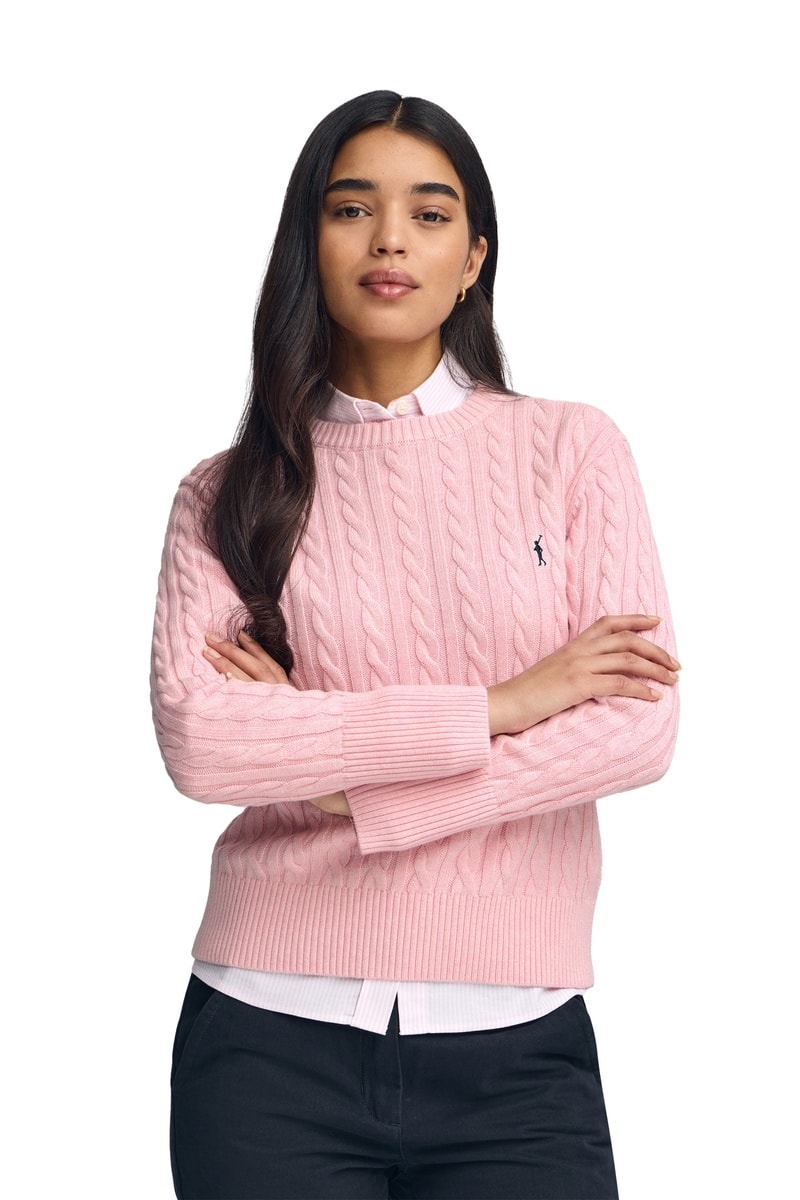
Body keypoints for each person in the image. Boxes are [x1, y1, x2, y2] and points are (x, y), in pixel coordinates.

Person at [151, 89, 680, 1200]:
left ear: (472, 257)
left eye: (430, 214)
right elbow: (207, 744)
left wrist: (354, 793)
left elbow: (635, 728)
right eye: (353, 209)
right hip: (266, 1043)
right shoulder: (223, 493)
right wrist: (503, 704)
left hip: (518, 1058)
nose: (390, 239)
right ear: (310, 242)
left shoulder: (571, 450)